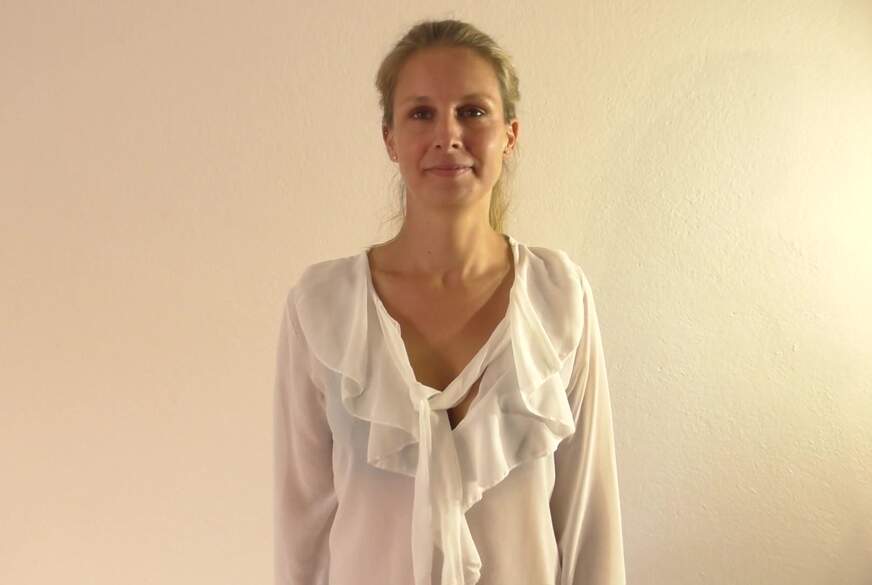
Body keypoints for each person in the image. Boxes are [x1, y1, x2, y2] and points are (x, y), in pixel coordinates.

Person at [274, 18, 627, 585]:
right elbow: (303, 534)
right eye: (421, 113)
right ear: (390, 139)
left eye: (473, 111)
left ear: (510, 134)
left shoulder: (559, 299)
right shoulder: (322, 309)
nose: (448, 135)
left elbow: (590, 526)